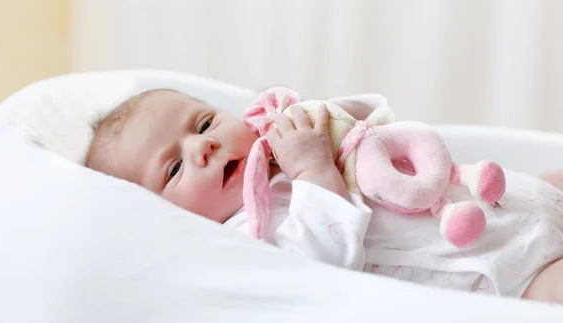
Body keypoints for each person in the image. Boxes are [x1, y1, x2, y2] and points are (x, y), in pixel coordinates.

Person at [85, 87, 563, 304]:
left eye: (205, 123)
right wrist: (312, 169)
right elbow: (318, 260)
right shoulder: (244, 237)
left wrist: (322, 120)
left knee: (551, 181)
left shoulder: (282, 155)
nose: (203, 146)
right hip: (504, 269)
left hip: (503, 197)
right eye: (173, 167)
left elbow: (372, 123)